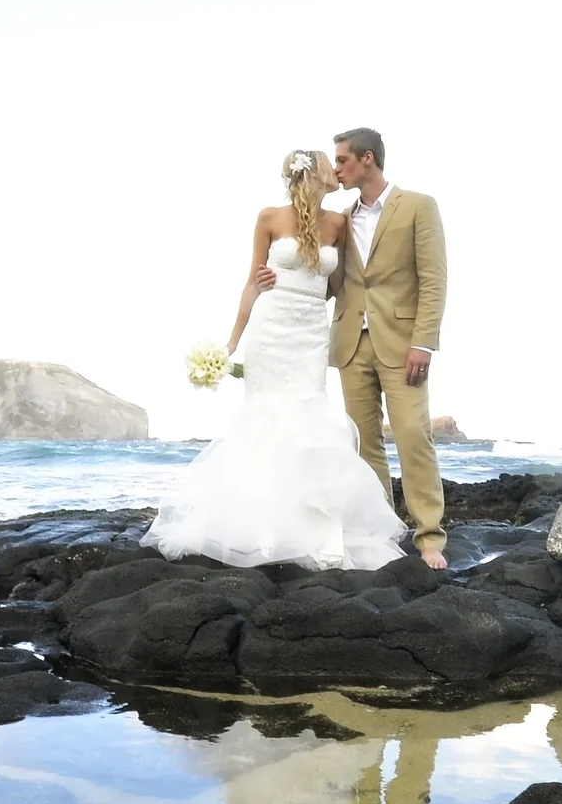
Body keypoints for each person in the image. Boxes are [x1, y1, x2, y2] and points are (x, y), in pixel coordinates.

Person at [142, 149, 410, 571]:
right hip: (270, 327)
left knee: (310, 419)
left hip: (310, 331)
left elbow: (342, 283)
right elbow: (253, 282)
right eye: (330, 165)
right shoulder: (269, 217)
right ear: (313, 174)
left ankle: (318, 531)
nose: (336, 171)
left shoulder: (338, 223)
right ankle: (259, 531)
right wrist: (230, 344)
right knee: (265, 419)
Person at [324, 128, 450, 570]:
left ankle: (429, 536)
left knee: (414, 435)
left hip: (402, 345)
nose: (336, 169)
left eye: (342, 160)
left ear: (367, 159)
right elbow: (331, 281)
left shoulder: (417, 206)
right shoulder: (340, 218)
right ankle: (382, 532)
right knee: (364, 443)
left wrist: (423, 343)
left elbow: (434, 280)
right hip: (349, 343)